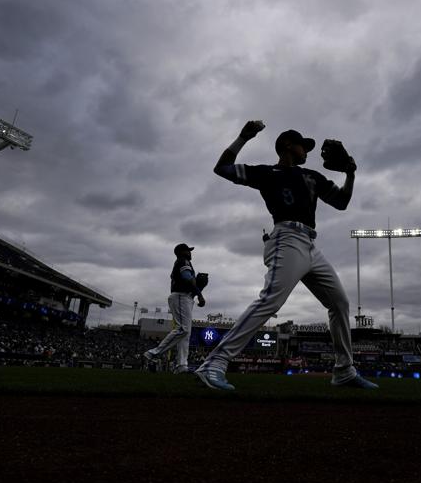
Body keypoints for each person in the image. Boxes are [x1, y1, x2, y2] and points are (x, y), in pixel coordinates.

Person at [194, 120, 377, 391]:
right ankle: (214, 363)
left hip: (310, 244)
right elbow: (222, 168)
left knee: (339, 303)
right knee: (270, 301)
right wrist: (243, 138)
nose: (307, 151)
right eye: (304, 145)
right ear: (288, 145)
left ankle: (344, 370)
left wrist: (351, 174)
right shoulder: (268, 173)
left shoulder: (312, 175)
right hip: (286, 239)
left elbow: (342, 202)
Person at [143, 243, 206, 373]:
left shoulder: (182, 262)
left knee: (186, 333)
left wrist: (199, 289)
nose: (190, 252)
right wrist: (200, 294)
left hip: (184, 297)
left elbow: (188, 282)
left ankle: (182, 365)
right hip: (180, 297)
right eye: (188, 250)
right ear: (182, 252)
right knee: (183, 329)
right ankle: (153, 353)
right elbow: (188, 279)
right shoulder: (183, 261)